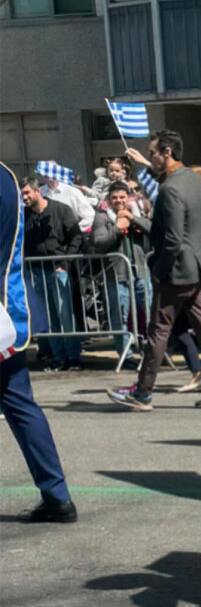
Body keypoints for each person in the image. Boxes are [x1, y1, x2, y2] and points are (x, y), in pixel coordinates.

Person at [107, 130, 201, 411]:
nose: (150, 156)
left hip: (177, 272)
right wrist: (144, 165)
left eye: (153, 153)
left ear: (166, 153)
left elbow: (172, 238)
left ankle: (142, 393)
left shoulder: (171, 189)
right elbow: (169, 185)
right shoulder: (191, 177)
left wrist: (158, 268)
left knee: (158, 331)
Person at [1, 162, 78, 523]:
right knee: (20, 404)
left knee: (20, 404)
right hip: (7, 308)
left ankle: (57, 496)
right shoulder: (6, 176)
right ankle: (56, 494)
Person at [20, 178, 84, 371]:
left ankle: (73, 356)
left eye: (27, 193)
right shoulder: (24, 215)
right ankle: (58, 357)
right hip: (37, 271)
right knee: (49, 317)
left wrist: (65, 262)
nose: (25, 198)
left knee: (65, 314)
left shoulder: (61, 209)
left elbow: (76, 236)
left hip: (59, 269)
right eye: (22, 194)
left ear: (37, 191)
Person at [91, 181, 152, 367]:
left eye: (122, 197)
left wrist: (132, 219)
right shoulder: (102, 217)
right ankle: (126, 355)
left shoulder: (137, 212)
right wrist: (118, 227)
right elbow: (98, 242)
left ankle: (154, 352)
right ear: (109, 199)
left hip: (141, 271)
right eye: (115, 198)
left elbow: (153, 229)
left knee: (150, 311)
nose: (118, 201)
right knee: (120, 316)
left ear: (129, 198)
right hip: (117, 274)